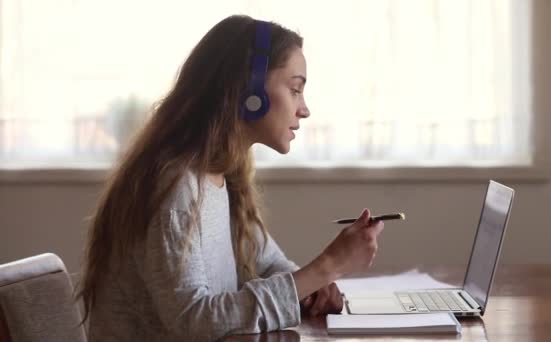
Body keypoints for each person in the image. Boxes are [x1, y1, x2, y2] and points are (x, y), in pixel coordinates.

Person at [76, 15, 385, 341]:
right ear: (249, 91)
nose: (304, 109)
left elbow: (268, 264)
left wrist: (311, 288)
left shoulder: (224, 176)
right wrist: (327, 267)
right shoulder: (176, 187)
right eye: (295, 89)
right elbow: (193, 321)